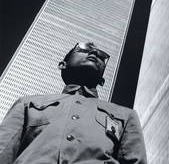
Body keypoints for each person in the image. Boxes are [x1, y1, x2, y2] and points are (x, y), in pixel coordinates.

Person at [0, 42, 147, 164]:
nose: (95, 54)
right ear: (62, 65)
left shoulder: (125, 115)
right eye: (84, 49)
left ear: (102, 81)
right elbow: (3, 149)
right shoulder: (28, 103)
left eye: (102, 56)